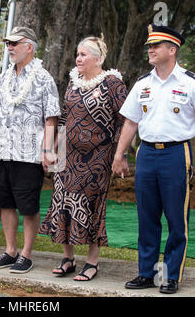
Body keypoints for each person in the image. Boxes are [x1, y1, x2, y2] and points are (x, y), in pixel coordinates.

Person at [112, 24, 195, 294]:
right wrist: (119, 155)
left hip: (176, 154)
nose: (151, 50)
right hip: (146, 154)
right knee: (147, 217)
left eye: (156, 46)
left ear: (172, 49)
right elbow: (131, 122)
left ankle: (169, 276)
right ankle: (146, 273)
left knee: (176, 220)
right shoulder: (143, 83)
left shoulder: (191, 83)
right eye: (149, 46)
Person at [0, 27, 61, 274]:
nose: (9, 47)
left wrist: (47, 150)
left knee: (28, 206)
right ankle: (10, 250)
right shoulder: (3, 78)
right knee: (4, 203)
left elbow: (51, 119)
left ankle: (26, 254)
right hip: (3, 151)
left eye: (14, 43)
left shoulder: (44, 78)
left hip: (29, 154)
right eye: (7, 43)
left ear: (29, 46)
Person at [39, 35, 127, 281]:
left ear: (98, 59)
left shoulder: (112, 83)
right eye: (77, 54)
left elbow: (125, 120)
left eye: (84, 55)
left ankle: (92, 262)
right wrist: (52, 148)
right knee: (62, 201)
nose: (78, 58)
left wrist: (120, 153)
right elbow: (65, 118)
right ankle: (68, 258)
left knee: (91, 205)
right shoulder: (73, 82)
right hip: (68, 154)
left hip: (98, 156)